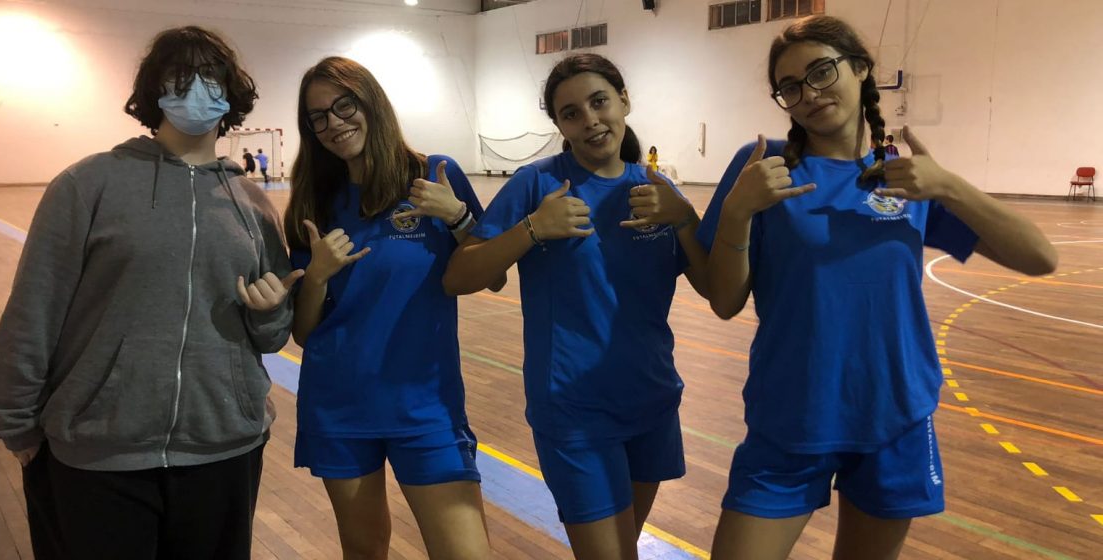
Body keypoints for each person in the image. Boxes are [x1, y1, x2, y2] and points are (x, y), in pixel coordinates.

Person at [699, 15, 1057, 560]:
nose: (809, 94)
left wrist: (948, 186)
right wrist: (737, 212)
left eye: (822, 72)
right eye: (790, 86)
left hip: (894, 414)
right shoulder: (764, 168)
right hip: (792, 414)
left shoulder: (903, 177)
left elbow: (1039, 257)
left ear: (861, 69)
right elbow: (725, 302)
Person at [0, 26, 299, 560]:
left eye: (210, 76)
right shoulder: (88, 185)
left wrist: (269, 314)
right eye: (179, 76)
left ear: (230, 94)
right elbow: (34, 309)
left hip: (223, 450)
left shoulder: (251, 204)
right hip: (99, 453)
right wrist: (14, 422)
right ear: (154, 90)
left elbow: (270, 335)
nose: (195, 89)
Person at [443, 53, 709, 560]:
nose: (589, 120)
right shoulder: (537, 184)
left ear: (623, 101)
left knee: (623, 548)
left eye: (599, 101)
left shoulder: (656, 189)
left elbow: (716, 290)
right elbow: (460, 276)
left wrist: (686, 217)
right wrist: (532, 229)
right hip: (574, 410)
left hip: (652, 400)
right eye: (571, 113)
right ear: (559, 125)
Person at [283, 56, 496, 560]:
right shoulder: (314, 200)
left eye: (344, 105)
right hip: (339, 404)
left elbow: (493, 276)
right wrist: (317, 276)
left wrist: (459, 217)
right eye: (318, 117)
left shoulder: (434, 175)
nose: (334, 123)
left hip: (426, 405)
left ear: (370, 102)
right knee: (364, 551)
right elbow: (304, 333)